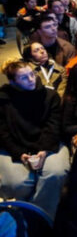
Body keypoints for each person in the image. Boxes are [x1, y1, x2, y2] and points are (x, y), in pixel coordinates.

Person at [0, 59, 69, 217]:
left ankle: (39, 218)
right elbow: (2, 132)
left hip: (48, 143)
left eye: (32, 74)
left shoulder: (49, 95)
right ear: (12, 81)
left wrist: (43, 149)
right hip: (15, 146)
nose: (31, 79)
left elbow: (53, 126)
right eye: (24, 78)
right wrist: (19, 153)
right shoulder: (3, 100)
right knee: (17, 183)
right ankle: (23, 215)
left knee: (55, 173)